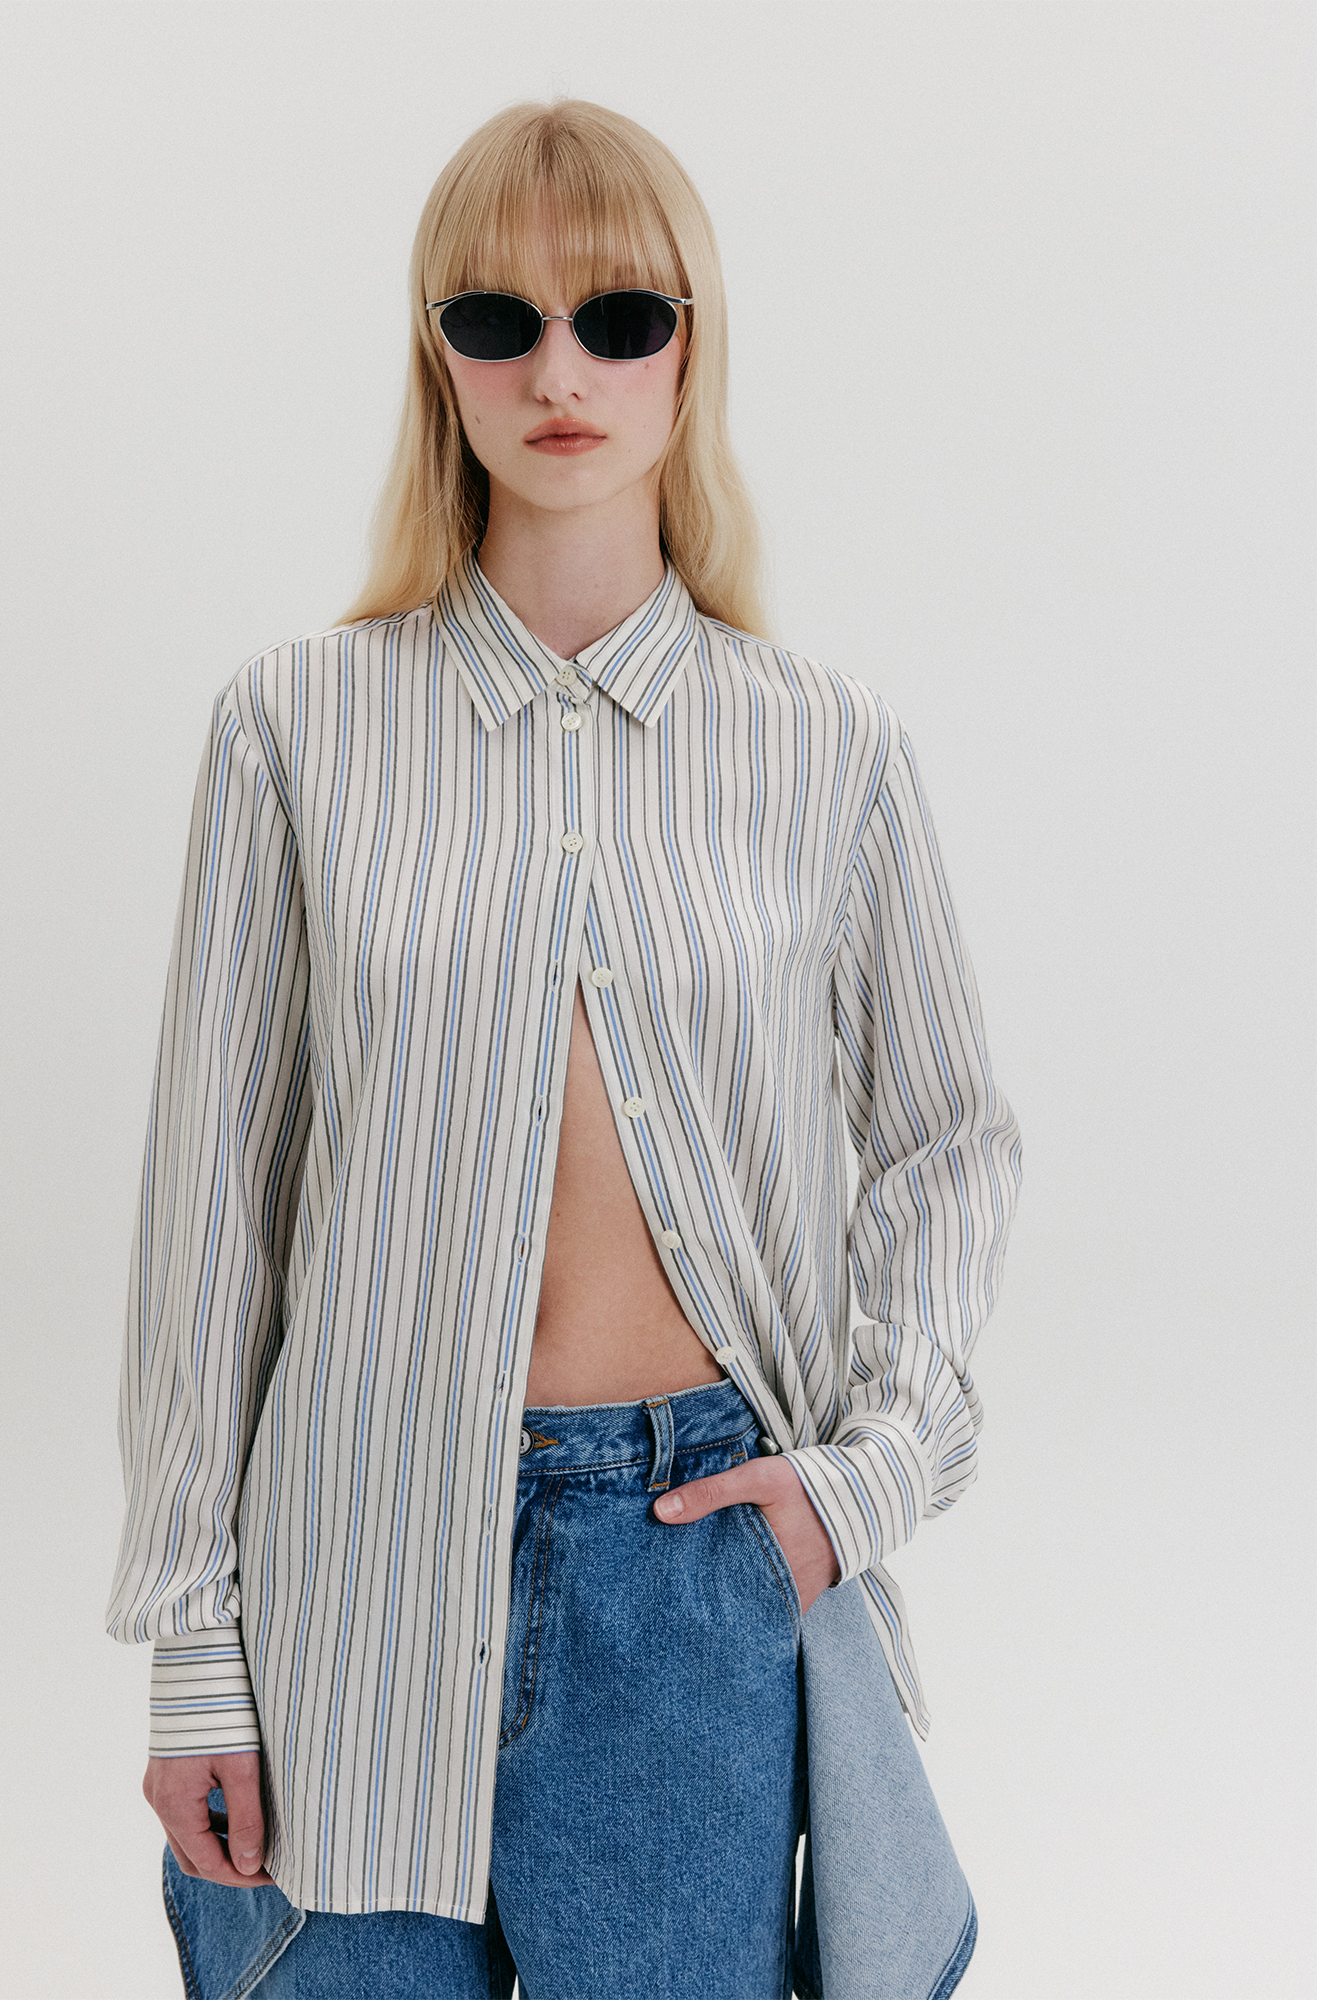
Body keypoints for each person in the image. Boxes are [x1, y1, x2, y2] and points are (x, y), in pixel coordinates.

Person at [106, 97, 1022, 2000]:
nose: (558, 373)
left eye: (617, 317)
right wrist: (195, 1641)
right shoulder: (294, 729)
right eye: (495, 320)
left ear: (692, 350)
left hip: (695, 1563)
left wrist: (862, 1480)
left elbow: (949, 1143)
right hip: (348, 1569)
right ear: (434, 358)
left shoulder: (826, 749)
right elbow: (212, 1215)